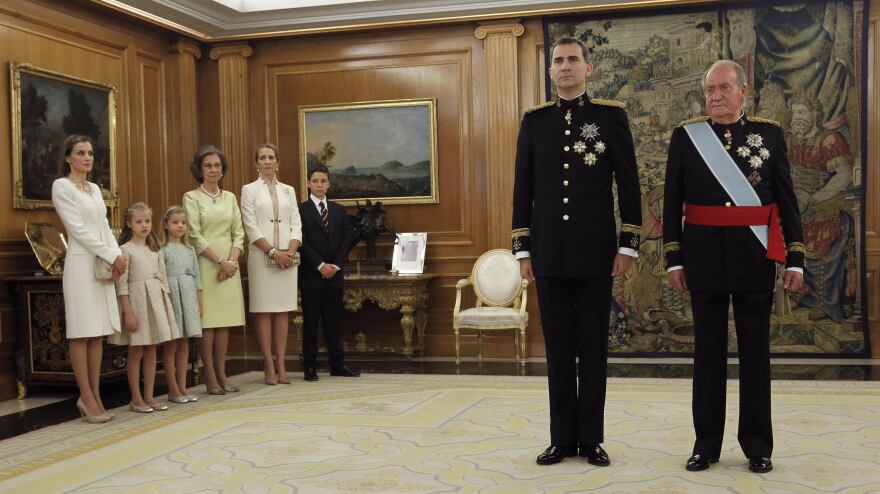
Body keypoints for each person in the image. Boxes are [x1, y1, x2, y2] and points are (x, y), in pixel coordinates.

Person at [662, 60, 805, 473]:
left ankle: (758, 445)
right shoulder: (687, 136)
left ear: (744, 91)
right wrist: (674, 256)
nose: (715, 97)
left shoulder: (770, 134)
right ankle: (705, 444)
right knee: (707, 354)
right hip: (703, 258)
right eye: (709, 90)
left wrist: (795, 257)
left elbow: (786, 201)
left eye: (724, 88)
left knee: (755, 354)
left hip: (753, 259)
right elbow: (672, 203)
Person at [511, 37, 641, 466]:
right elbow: (523, 190)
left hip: (596, 252)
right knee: (559, 349)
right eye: (558, 61)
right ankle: (561, 438)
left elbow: (628, 184)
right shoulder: (535, 122)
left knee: (593, 347)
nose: (565, 67)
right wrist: (522, 250)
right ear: (551, 72)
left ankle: (591, 439)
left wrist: (628, 244)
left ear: (588, 68)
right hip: (548, 252)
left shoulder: (610, 118)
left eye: (573, 60)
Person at [51, 134, 127, 423]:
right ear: (68, 157)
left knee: (97, 332)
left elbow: (105, 226)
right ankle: (85, 395)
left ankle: (94, 397)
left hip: (102, 263)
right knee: (82, 332)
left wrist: (117, 254)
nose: (87, 158)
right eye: (80, 153)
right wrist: (111, 256)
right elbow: (78, 231)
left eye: (90, 153)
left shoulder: (95, 188)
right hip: (81, 267)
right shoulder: (61, 186)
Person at [183, 145, 246, 395]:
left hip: (230, 264)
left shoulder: (230, 197)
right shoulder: (191, 197)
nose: (213, 169)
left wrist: (231, 262)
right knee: (208, 324)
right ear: (199, 169)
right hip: (206, 263)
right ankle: (209, 375)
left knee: (224, 324)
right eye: (208, 165)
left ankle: (222, 374)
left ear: (223, 168)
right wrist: (221, 262)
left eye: (217, 165)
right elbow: (195, 236)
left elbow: (239, 233)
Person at [110, 202, 181, 412]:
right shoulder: (125, 250)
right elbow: (121, 284)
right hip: (137, 304)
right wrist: (128, 312)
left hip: (156, 302)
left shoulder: (154, 249)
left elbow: (163, 279)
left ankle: (149, 396)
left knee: (152, 350)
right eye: (139, 221)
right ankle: (136, 398)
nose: (144, 225)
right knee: (136, 351)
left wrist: (166, 309)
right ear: (130, 224)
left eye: (147, 221)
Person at [241, 144, 303, 385]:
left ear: (278, 162)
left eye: (271, 157)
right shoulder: (249, 190)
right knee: (264, 310)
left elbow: (296, 222)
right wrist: (273, 252)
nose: (267, 161)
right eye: (262, 158)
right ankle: (268, 363)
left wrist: (291, 250)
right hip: (262, 255)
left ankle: (282, 363)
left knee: (283, 312)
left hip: (289, 256)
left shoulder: (288, 190)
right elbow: (250, 225)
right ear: (256, 163)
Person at [298, 165, 359, 381]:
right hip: (311, 274)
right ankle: (310, 366)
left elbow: (346, 241)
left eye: (323, 181)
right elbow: (301, 242)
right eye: (315, 181)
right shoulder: (300, 210)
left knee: (333, 321)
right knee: (312, 321)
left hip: (335, 274)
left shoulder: (339, 210)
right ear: (308, 184)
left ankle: (337, 364)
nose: (319, 185)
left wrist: (335, 265)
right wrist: (320, 265)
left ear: (329, 184)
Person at [160, 205, 203, 403]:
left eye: (183, 223)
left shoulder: (189, 249)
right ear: (166, 225)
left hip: (188, 298)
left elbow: (196, 277)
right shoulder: (163, 250)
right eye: (175, 222)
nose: (180, 226)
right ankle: (173, 388)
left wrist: (199, 301)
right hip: (173, 299)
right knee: (172, 344)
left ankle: (183, 386)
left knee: (184, 343)